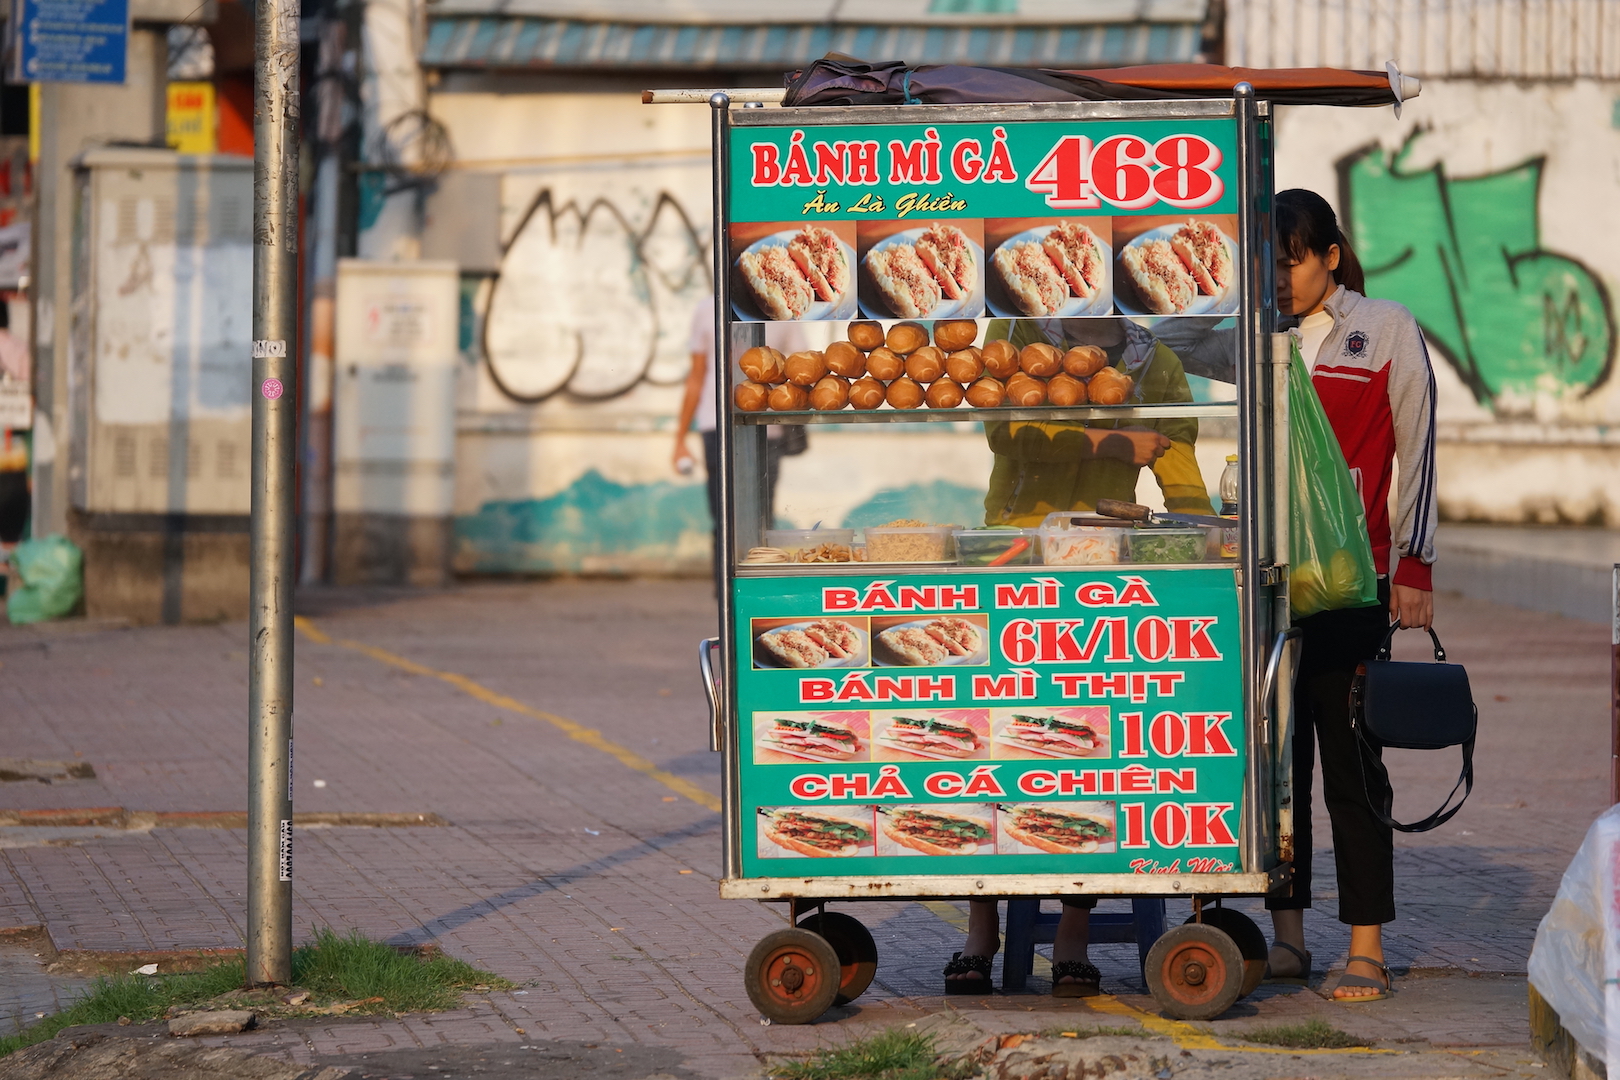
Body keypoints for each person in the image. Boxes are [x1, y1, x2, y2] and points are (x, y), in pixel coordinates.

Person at [945, 316, 1212, 996]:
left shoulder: (1158, 365)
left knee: (1083, 751)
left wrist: (1212, 540)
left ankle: (1072, 931)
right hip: (1008, 557)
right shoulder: (1020, 332)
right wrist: (1115, 441)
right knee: (990, 746)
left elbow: (1176, 457)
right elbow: (1007, 429)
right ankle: (981, 926)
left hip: (1097, 573)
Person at [1264, 189, 1437, 1002]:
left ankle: (1364, 944)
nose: (1283, 275)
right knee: (1274, 770)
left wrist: (1416, 567)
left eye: (1294, 258)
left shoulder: (1386, 329)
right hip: (1264, 589)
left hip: (1355, 586)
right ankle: (1287, 936)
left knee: (1352, 768)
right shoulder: (1255, 334)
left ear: (1330, 256)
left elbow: (1419, 447)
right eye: (1270, 259)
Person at [673, 296, 806, 590]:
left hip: (764, 427)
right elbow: (697, 376)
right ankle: (728, 600)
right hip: (717, 425)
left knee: (759, 518)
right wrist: (680, 439)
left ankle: (758, 592)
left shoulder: (787, 309)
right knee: (727, 519)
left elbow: (801, 369)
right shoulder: (707, 309)